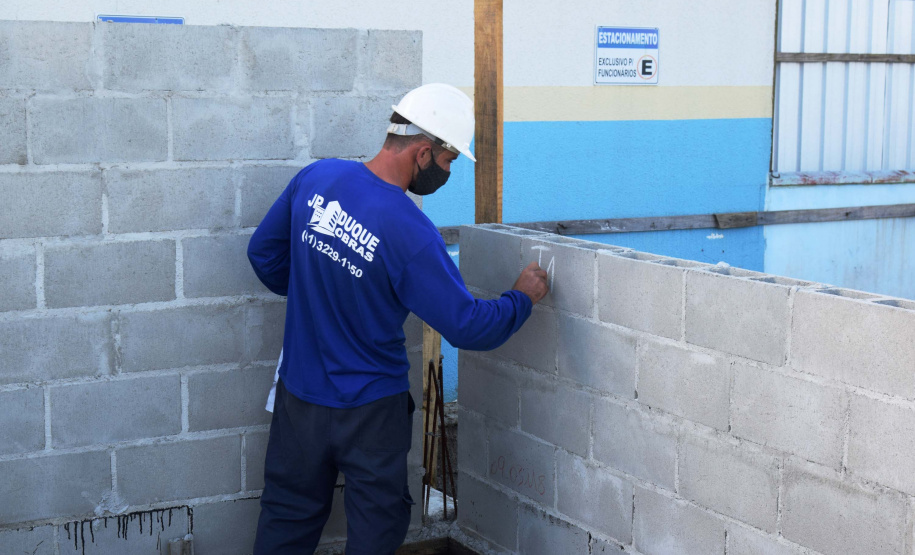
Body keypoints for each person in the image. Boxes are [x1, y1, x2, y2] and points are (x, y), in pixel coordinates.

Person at [247, 82, 549, 555]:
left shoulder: (316, 179)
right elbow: (469, 326)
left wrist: (318, 293)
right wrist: (522, 297)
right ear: (424, 152)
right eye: (449, 162)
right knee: (376, 530)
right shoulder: (409, 231)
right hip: (370, 412)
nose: (447, 173)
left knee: (286, 520)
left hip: (299, 399)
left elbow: (263, 255)